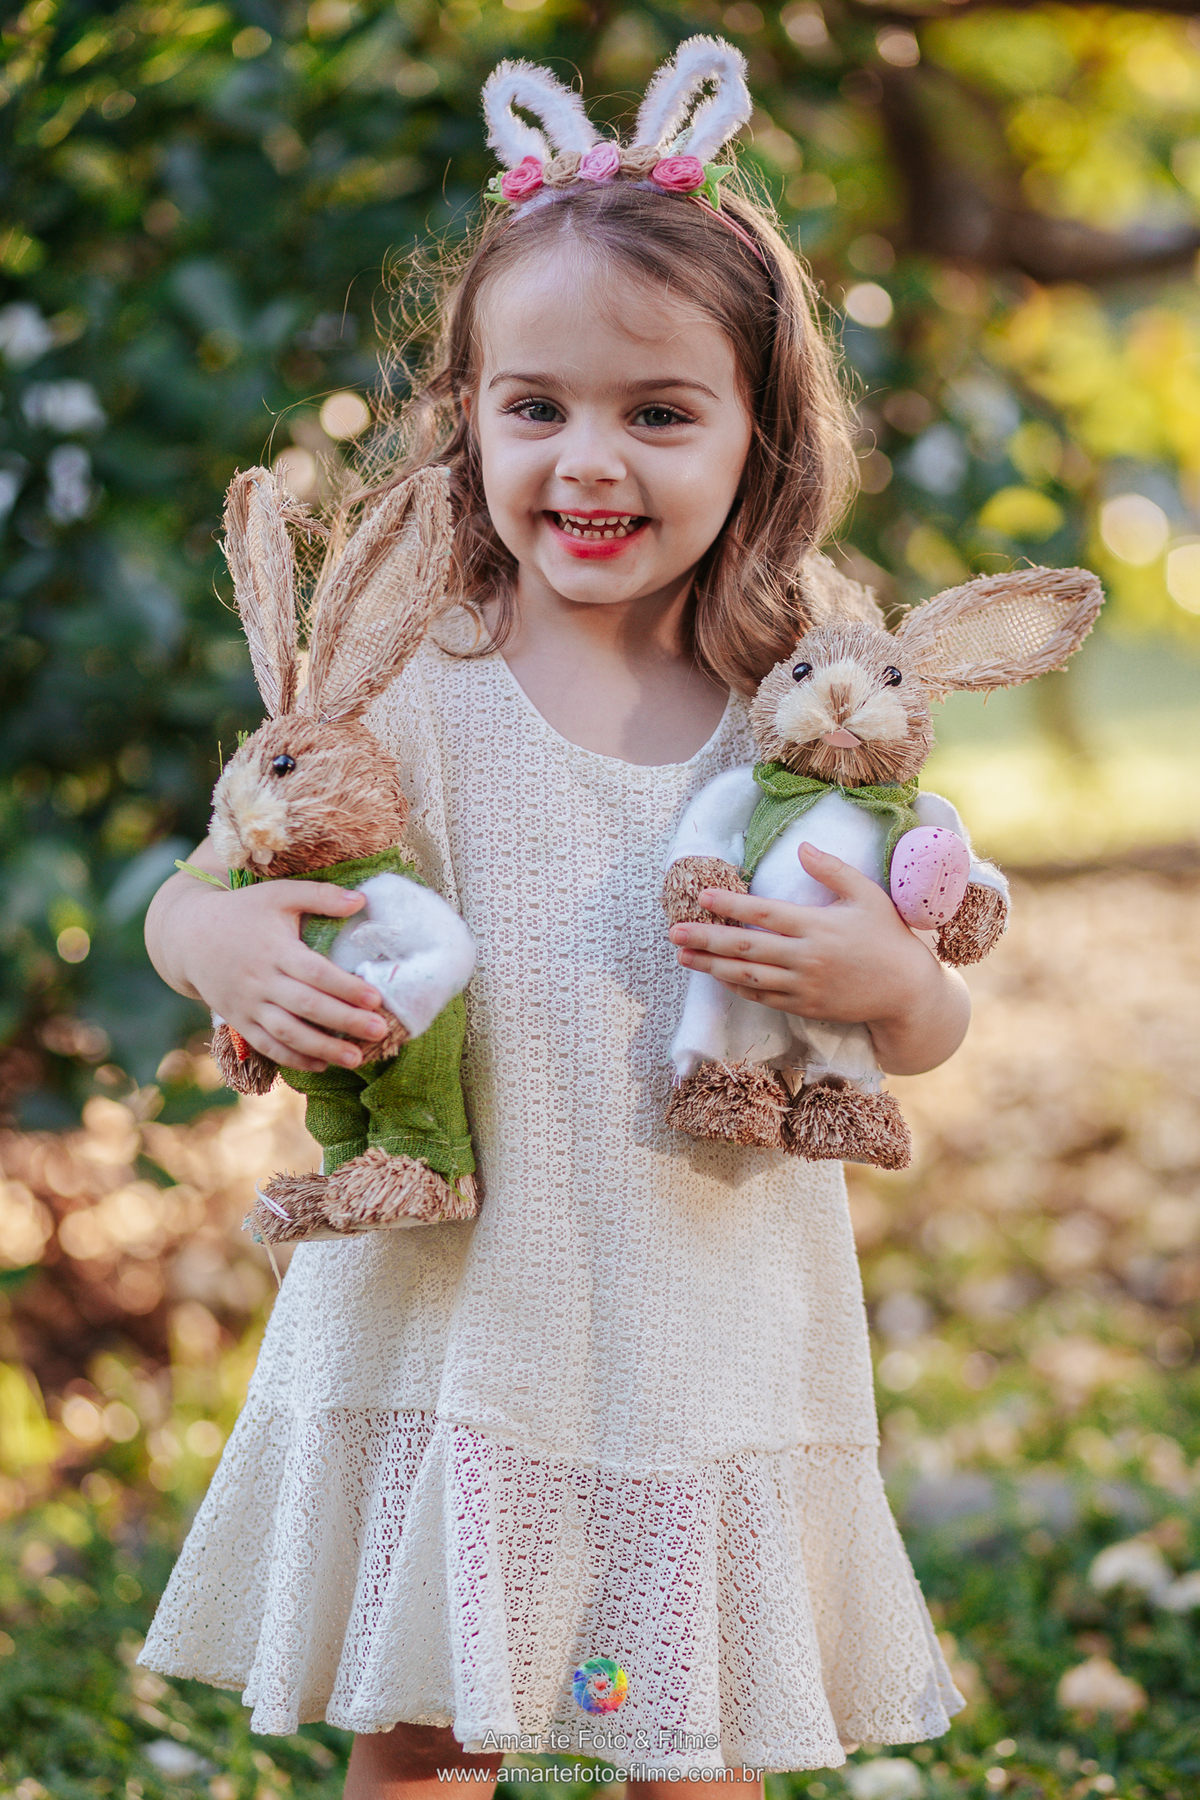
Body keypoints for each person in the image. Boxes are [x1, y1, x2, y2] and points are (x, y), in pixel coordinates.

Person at [140, 38, 968, 1800]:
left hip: (702, 1323)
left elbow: (930, 1022)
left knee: (688, 1750)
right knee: (426, 1741)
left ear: (762, 437)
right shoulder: (419, 677)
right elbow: (208, 882)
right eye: (538, 407)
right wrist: (215, 946)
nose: (590, 463)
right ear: (471, 415)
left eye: (659, 412)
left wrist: (890, 979)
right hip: (458, 1326)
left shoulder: (802, 709)